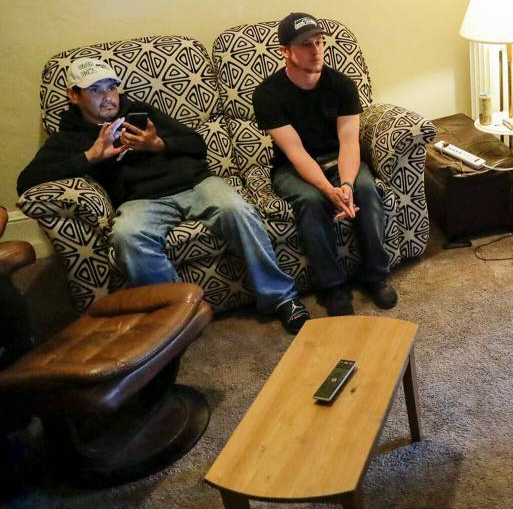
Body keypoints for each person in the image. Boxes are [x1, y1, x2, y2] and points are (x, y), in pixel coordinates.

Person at [17, 58, 310, 334]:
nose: (107, 97)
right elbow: (26, 181)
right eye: (94, 89)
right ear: (73, 95)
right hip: (139, 201)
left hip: (196, 184)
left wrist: (159, 144)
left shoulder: (138, 112)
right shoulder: (68, 137)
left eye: (110, 87)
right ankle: (176, 318)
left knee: (239, 210)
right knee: (127, 236)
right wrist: (89, 157)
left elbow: (196, 145)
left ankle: (281, 298)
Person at [253, 12, 396, 316]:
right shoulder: (267, 94)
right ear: (286, 51)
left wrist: (345, 185)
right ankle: (332, 286)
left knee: (366, 190)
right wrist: (328, 190)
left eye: (319, 42)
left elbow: (348, 141)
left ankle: (376, 276)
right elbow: (295, 152)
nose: (316, 50)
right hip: (293, 167)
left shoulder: (341, 84)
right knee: (311, 199)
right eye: (306, 45)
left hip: (338, 159)